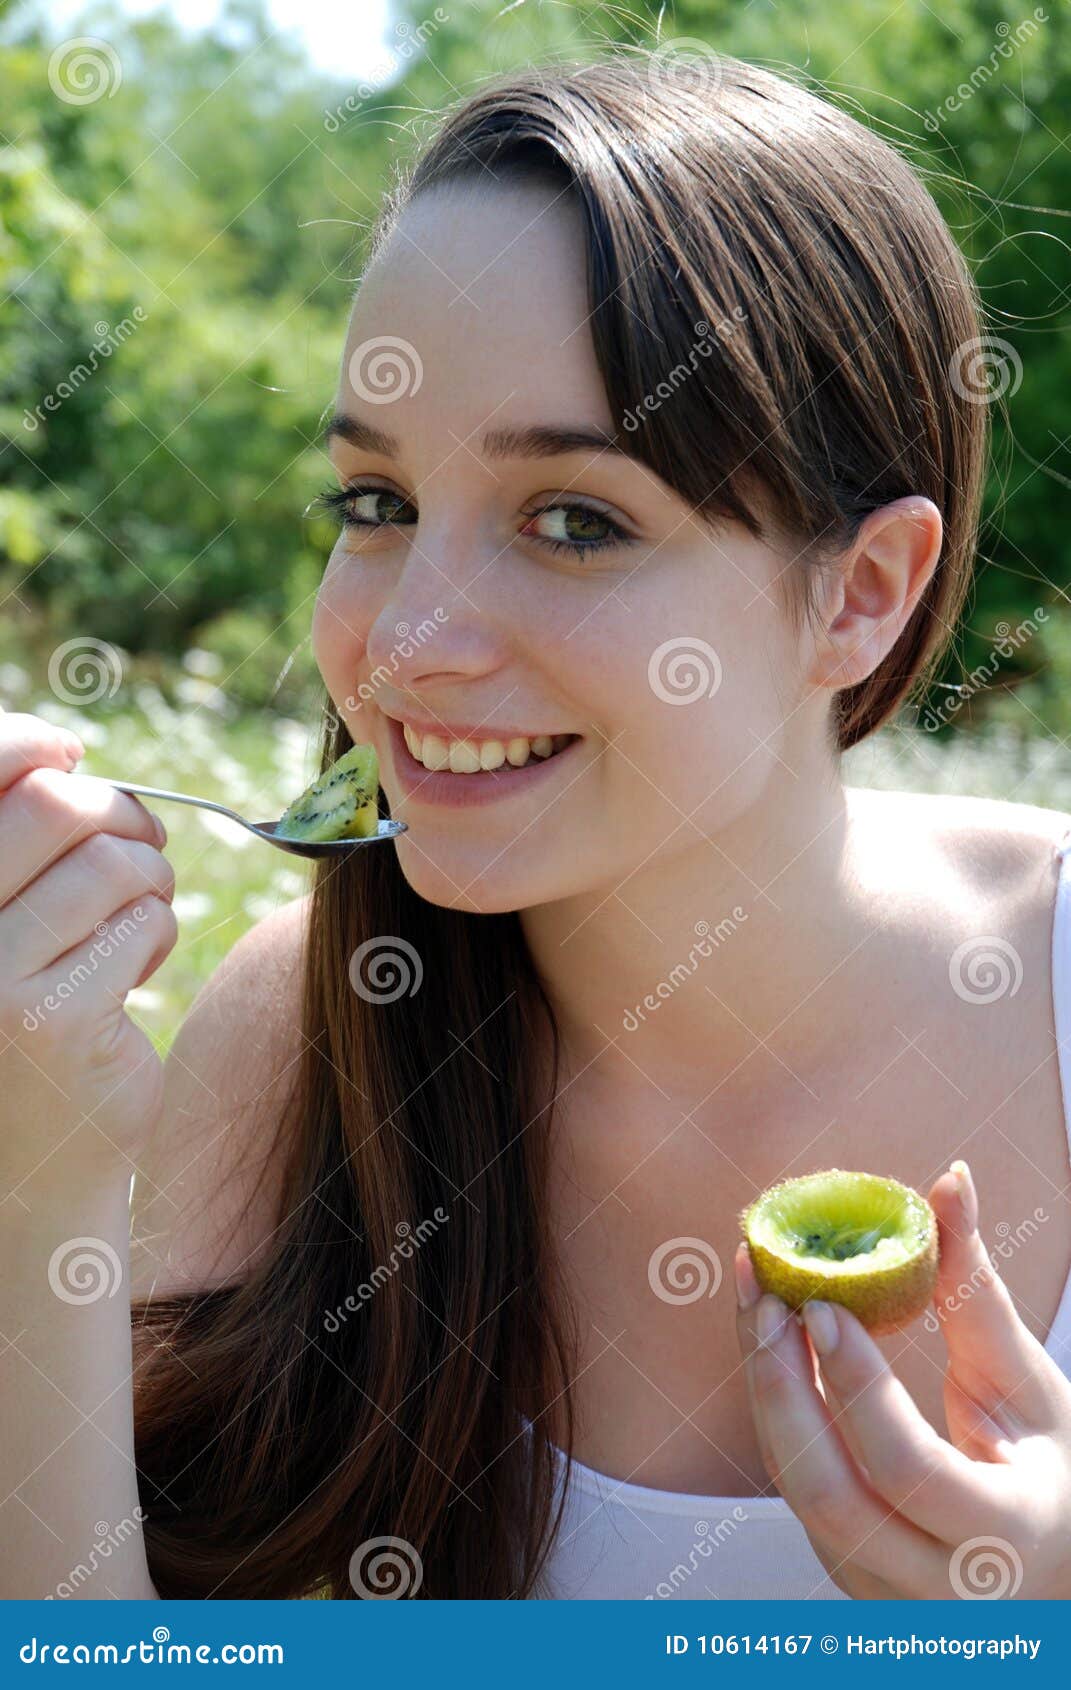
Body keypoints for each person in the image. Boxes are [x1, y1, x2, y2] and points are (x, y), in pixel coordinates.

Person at [3, 48, 1070, 1603]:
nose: (409, 640)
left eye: (575, 520)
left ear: (862, 591)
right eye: (375, 505)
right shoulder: (295, 1043)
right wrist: (39, 1186)